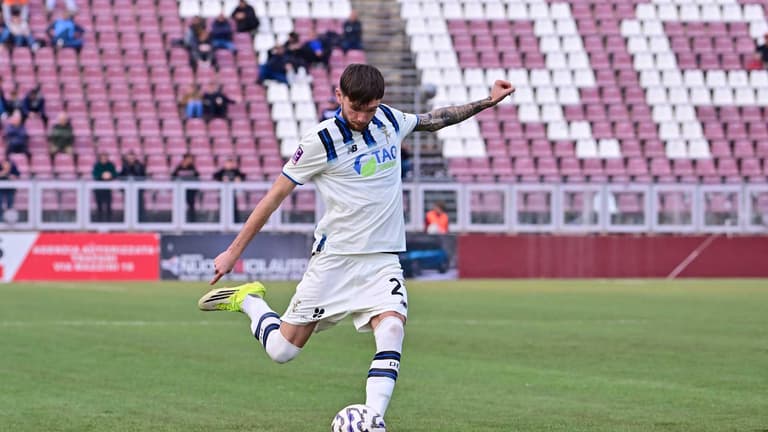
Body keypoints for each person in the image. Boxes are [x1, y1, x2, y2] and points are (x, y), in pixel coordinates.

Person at [196, 64, 514, 423]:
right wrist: (233, 251)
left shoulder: (390, 121)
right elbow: (273, 198)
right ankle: (250, 301)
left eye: (370, 108)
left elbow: (435, 119)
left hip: (381, 259)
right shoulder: (321, 141)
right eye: (355, 108)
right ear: (339, 96)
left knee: (393, 328)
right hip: (335, 261)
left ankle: (372, 420)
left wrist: (488, 101)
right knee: (282, 351)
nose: (363, 116)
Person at [119, 150, 147, 220]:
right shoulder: (124, 166)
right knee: (128, 205)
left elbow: (143, 176)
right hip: (128, 189)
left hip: (138, 189)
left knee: (139, 205)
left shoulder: (140, 165)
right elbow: (121, 176)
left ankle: (140, 220)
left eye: (132, 157)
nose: (130, 159)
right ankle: (128, 219)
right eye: (129, 157)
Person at [172, 153, 200, 222]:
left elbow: (197, 178)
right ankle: (179, 221)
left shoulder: (192, 168)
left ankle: (192, 222)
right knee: (180, 207)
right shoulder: (179, 168)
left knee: (191, 207)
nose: (190, 160)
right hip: (181, 191)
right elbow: (173, 177)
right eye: (189, 159)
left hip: (191, 191)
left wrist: (195, 189)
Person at [92, 152, 117, 222]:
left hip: (107, 189)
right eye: (102, 158)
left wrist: (110, 175)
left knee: (108, 205)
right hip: (98, 189)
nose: (104, 159)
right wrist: (102, 175)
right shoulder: (97, 165)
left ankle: (109, 221)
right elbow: (95, 175)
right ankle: (99, 221)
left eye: (105, 158)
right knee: (99, 206)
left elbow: (115, 174)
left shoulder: (110, 165)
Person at [0, 153, 20, 222]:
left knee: (10, 204)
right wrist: (3, 173)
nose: (6, 166)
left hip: (10, 190)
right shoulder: (1, 168)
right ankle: (1, 219)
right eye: (4, 164)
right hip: (1, 190)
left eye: (7, 164)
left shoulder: (13, 168)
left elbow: (17, 176)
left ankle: (9, 220)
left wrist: (12, 177)